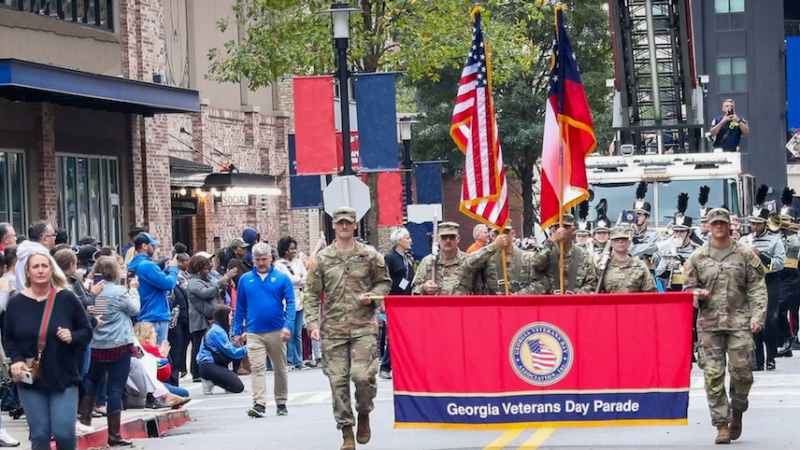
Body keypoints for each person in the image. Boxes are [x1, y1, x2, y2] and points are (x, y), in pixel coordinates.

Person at [304, 207, 391, 450]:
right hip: (333, 330)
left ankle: (364, 413)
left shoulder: (369, 255)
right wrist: (312, 324)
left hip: (363, 327)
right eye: (340, 223)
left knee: (363, 377)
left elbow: (385, 283)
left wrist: (373, 295)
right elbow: (311, 293)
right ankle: (346, 432)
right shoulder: (323, 259)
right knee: (337, 382)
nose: (344, 227)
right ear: (333, 225)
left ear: (354, 225)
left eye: (348, 223)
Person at [683, 207, 766, 444]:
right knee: (712, 375)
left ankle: (737, 410)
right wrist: (696, 293)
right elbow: (686, 290)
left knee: (742, 372)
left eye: (723, 223)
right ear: (707, 226)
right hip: (709, 325)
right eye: (714, 223)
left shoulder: (745, 254)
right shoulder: (697, 257)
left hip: (739, 322)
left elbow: (757, 286)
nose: (719, 227)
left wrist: (757, 317)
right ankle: (721, 424)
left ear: (729, 225)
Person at [4, 250, 93, 450]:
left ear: (51, 269)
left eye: (45, 266)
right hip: (31, 379)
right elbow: (8, 337)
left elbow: (86, 331)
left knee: (63, 433)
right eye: (35, 267)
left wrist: (73, 336)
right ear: (27, 272)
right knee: (40, 434)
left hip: (63, 375)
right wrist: (16, 359)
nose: (41, 271)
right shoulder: (16, 303)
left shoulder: (66, 298)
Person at [77, 257, 140, 447]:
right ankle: (114, 434)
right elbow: (134, 310)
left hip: (98, 343)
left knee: (93, 381)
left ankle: (85, 420)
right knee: (115, 388)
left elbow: (101, 314)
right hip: (119, 344)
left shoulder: (95, 291)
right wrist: (134, 290)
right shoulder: (119, 292)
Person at [233, 242, 295, 418]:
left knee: (280, 368)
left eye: (264, 259)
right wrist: (237, 331)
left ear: (270, 258)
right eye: (258, 260)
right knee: (257, 368)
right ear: (253, 260)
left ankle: (281, 402)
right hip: (254, 331)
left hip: (277, 329)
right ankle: (259, 403)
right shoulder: (245, 280)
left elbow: (290, 303)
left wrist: (288, 326)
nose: (261, 263)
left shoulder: (282, 278)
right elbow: (240, 307)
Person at [739, 207, 785, 371]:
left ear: (765, 224)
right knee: (753, 320)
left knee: (769, 320)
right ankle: (757, 360)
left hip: (770, 281)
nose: (754, 227)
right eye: (752, 223)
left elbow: (780, 264)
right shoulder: (744, 240)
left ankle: (771, 356)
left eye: (758, 223)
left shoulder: (775, 240)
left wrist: (761, 255)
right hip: (750, 282)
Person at [411, 222, 507, 295]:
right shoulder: (428, 262)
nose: (448, 241)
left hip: (462, 315)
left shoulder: (466, 261)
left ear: (458, 239)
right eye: (444, 237)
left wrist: (494, 246)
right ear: (438, 239)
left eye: (451, 237)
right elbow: (414, 291)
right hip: (435, 315)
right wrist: (424, 288)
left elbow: (479, 292)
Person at [187, 256, 235, 385]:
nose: (208, 270)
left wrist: (224, 284)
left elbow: (215, 291)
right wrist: (219, 283)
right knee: (198, 345)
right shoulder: (193, 282)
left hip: (209, 317)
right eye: (205, 268)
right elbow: (206, 293)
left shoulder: (205, 280)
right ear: (198, 269)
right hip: (200, 320)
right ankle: (196, 372)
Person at [128, 232, 179, 345]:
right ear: (144, 246)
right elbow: (168, 284)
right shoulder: (147, 265)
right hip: (155, 315)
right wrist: (173, 269)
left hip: (143, 313)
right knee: (159, 353)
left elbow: (152, 283)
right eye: (152, 245)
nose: (155, 248)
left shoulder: (134, 264)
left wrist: (164, 272)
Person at [530, 214, 598, 294]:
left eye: (565, 227)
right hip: (550, 302)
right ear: (552, 230)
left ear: (573, 230)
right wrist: (552, 241)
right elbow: (535, 265)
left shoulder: (584, 256)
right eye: (557, 227)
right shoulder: (546, 252)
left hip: (575, 303)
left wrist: (573, 299)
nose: (561, 231)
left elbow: (591, 284)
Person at [380, 228, 415, 380]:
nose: (410, 240)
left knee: (406, 335)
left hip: (406, 300)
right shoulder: (390, 258)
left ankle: (402, 366)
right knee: (394, 334)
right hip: (394, 300)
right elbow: (384, 280)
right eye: (407, 238)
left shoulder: (407, 258)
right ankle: (385, 366)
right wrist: (383, 300)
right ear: (399, 241)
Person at [273, 236, 308, 371]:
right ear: (285, 250)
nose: (293, 251)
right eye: (291, 249)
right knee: (289, 331)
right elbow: (286, 281)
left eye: (294, 249)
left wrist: (297, 279)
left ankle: (298, 360)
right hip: (286, 302)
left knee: (298, 332)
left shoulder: (298, 262)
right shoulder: (278, 266)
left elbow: (305, 278)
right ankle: (289, 360)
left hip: (299, 300)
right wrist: (297, 279)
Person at [133, 322, 191, 401]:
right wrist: (163, 356)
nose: (156, 335)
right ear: (147, 336)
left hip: (136, 387)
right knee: (184, 393)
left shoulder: (137, 349)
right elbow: (164, 375)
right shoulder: (151, 350)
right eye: (154, 333)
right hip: (152, 385)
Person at [197, 305, 247, 395]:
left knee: (239, 354)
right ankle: (211, 380)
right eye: (231, 315)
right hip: (208, 365)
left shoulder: (218, 328)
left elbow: (228, 347)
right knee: (238, 387)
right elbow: (232, 352)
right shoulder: (217, 331)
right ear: (224, 316)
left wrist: (240, 342)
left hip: (214, 362)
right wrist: (249, 347)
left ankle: (227, 381)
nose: (232, 318)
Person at [485, 226, 548, 295]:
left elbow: (541, 284)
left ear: (512, 233)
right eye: (497, 233)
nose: (502, 236)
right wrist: (491, 247)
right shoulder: (486, 259)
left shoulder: (528, 257)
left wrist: (518, 296)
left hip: (520, 303)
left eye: (505, 232)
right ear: (493, 236)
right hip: (493, 303)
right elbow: (471, 264)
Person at [598, 227, 657, 293]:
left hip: (634, 302)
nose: (620, 241)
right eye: (616, 239)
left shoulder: (640, 265)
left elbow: (650, 292)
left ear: (629, 242)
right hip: (610, 303)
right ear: (611, 243)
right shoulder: (603, 266)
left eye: (624, 239)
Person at [14, 221, 63, 293]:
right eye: (53, 235)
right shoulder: (44, 257)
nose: (55, 238)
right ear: (45, 239)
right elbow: (60, 282)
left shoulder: (21, 258)